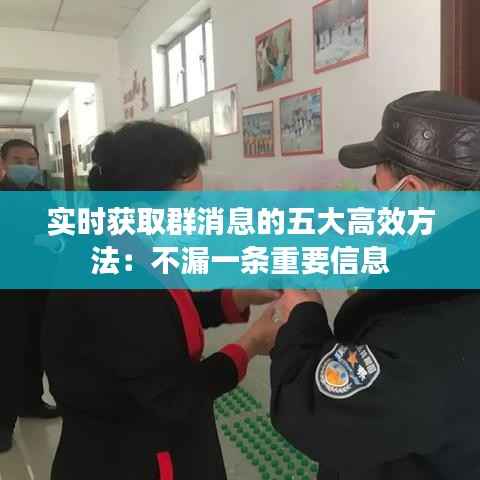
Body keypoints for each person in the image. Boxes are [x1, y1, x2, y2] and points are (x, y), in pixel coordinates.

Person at [43, 121, 283, 480]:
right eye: (192, 204)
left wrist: (239, 296)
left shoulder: (128, 243)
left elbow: (165, 313)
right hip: (129, 456)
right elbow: (174, 394)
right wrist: (250, 345)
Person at [269, 91, 480, 480]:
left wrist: (302, 315)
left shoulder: (431, 330)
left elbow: (317, 414)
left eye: (379, 191)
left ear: (412, 196)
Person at [0, 140, 59, 454]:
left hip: (41, 282)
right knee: (9, 350)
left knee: (37, 345)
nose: (25, 166)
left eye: (31, 160)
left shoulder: (42, 193)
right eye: (17, 160)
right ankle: (3, 422)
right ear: (3, 163)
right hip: (8, 286)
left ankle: (31, 401)